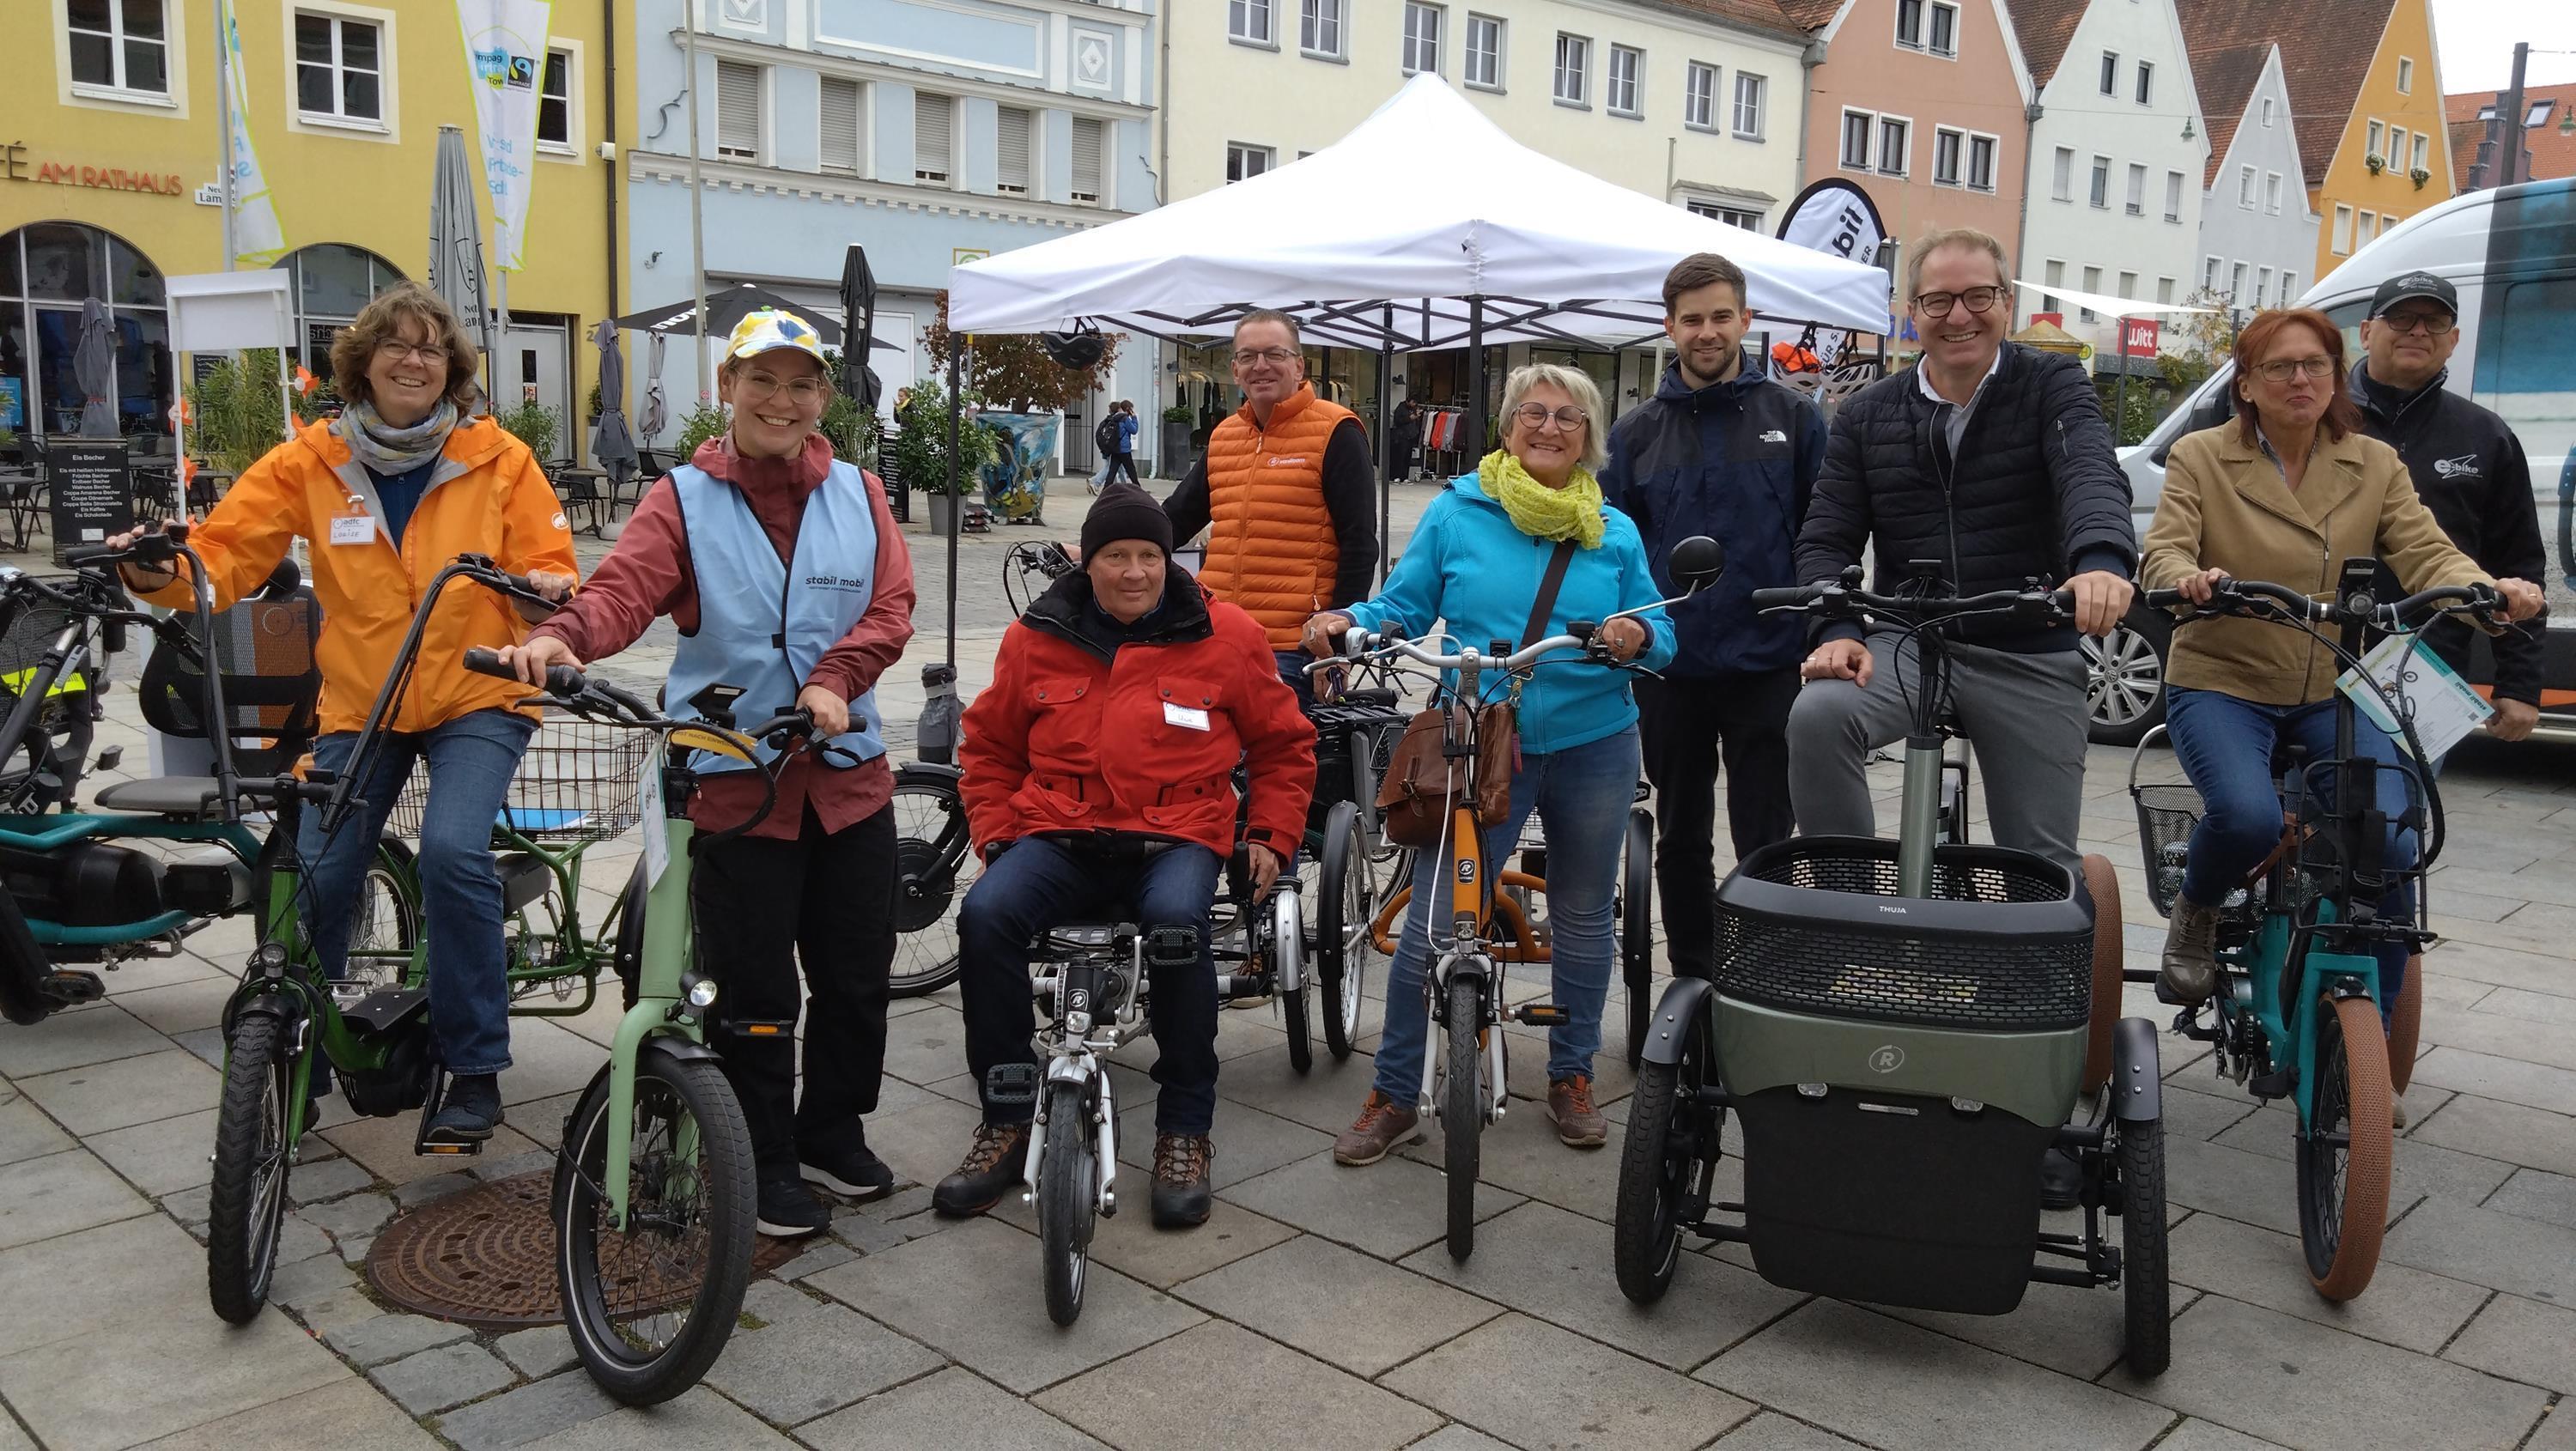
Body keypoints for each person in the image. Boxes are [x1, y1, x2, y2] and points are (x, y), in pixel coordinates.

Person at [109, 282, 577, 1142]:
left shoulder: (497, 457)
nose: (413, 359)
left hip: (476, 692)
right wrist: (150, 568)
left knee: (451, 849)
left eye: (430, 348)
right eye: (395, 345)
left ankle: (474, 1066)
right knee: (319, 870)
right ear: (361, 363)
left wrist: (549, 594)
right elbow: (221, 560)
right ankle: (306, 1048)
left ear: (452, 369)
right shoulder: (310, 459)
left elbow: (549, 567)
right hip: (362, 700)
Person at [501, 308, 916, 1238]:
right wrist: (559, 638)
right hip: (735, 783)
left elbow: (890, 607)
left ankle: (832, 1127)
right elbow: (623, 592)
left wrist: (836, 679)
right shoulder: (680, 498)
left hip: (846, 777)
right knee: (756, 984)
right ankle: (763, 1153)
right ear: (727, 387)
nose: (782, 399)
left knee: (856, 973)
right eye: (762, 380)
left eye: (801, 383)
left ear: (823, 398)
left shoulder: (862, 492)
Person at [2142, 308, 2543, 1127]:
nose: (2301, 381)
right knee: (2249, 817)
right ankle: (2200, 905)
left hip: (2332, 684)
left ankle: (2366, 1051)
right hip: (2223, 677)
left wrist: (2485, 592)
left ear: (2335, 378)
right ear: (2246, 385)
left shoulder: (2374, 464)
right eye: (2280, 368)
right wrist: (2187, 575)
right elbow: (2165, 547)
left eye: (2316, 366)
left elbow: (2427, 551)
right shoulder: (2202, 456)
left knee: (2390, 849)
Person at [1307, 363, 1675, 1162]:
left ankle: (1571, 1073)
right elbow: (1402, 605)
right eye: (1533, 414)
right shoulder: (1458, 512)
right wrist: (1350, 621)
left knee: (1581, 915)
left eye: (1568, 417)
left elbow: (1663, 632)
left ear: (1591, 435)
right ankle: (1394, 1090)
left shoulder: (1613, 530)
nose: (1550, 428)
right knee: (1434, 919)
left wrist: (1635, 637)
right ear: (1507, 427)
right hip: (1477, 734)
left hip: (1594, 739)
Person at [936, 481, 1316, 1229]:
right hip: (1060, 831)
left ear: (1169, 560)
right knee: (984, 915)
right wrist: (997, 837)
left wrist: (1270, 836)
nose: (1134, 571)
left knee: (1179, 926)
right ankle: (1007, 1116)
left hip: (1177, 833)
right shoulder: (1036, 636)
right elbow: (986, 749)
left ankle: (1184, 1127)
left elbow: (1284, 746)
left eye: (1149, 555)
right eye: (1117, 556)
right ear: (1088, 562)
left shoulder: (1225, 632)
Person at [1788, 227, 2136, 872]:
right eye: (1938, 301)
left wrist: (2101, 562)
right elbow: (1827, 533)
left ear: (2006, 302)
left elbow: (2088, 471)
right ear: (1912, 311)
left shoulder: (2051, 384)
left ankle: (2027, 964)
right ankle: (1846, 905)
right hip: (1911, 641)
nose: (1959, 316)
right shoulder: (1869, 414)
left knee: (2042, 870)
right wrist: (1835, 627)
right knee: (1819, 713)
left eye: (1978, 297)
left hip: (2026, 642)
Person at [1601, 252, 1825, 979]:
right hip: (1671, 667)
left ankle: (1762, 975)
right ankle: (1695, 978)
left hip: (1768, 662)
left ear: (1745, 321)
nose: (1707, 331)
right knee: (1681, 834)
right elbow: (1613, 550)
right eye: (1691, 319)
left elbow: (1825, 535)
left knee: (1766, 833)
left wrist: (1824, 629)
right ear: (1669, 327)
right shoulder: (1635, 436)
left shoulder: (1793, 418)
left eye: (1720, 316)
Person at [2348, 270, 2549, 752]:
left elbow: (2518, 562)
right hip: (2313, 654)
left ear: (2453, 340)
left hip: (2429, 663)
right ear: (2366, 331)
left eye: (2436, 323)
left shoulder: (2485, 435)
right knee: (2300, 815)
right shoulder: (2315, 418)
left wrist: (2519, 684)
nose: (2419, 331)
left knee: (2402, 820)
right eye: (2402, 317)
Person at [1163, 311, 1378, 701]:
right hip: (1216, 634)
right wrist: (1107, 544)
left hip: (1291, 649)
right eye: (1248, 356)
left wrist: (1337, 641)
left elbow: (1360, 544)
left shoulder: (1337, 431)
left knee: (1274, 760)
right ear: (1235, 370)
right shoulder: (1225, 436)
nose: (1260, 366)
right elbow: (1175, 519)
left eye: (1274, 354)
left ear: (1299, 365)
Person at [1392, 395, 1425, 483]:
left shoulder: (1413, 408)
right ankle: (1397, 475)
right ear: (1409, 401)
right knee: (1400, 456)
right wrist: (1409, 418)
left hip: (1411, 436)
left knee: (1407, 457)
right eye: (1413, 402)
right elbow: (1397, 421)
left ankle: (1405, 476)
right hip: (1402, 436)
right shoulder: (1401, 408)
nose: (1414, 404)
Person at [1112, 399, 1142, 486]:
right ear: (1128, 409)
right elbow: (1134, 430)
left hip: (1115, 447)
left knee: (1112, 470)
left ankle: (1106, 488)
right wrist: (1134, 418)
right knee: (1131, 469)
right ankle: (1137, 487)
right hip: (1124, 449)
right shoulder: (1125, 419)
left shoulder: (1115, 418)